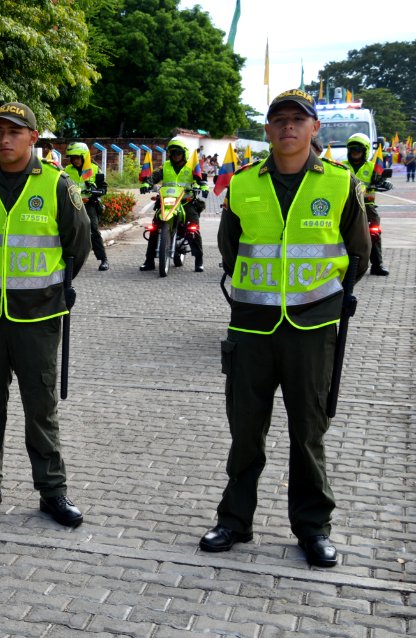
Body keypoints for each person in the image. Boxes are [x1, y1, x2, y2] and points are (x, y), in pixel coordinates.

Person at [202, 89, 370, 568]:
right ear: (268, 129)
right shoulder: (243, 184)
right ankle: (234, 521)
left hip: (313, 329)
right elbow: (230, 250)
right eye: (279, 120)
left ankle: (313, 528)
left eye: (299, 119)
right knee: (245, 432)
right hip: (252, 327)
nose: (288, 127)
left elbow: (356, 254)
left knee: (308, 433)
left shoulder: (341, 184)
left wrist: (319, 298)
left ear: (315, 129)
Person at [0, 101, 90, 527]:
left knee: (40, 407)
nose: (4, 139)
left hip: (38, 319)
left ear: (33, 138)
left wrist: (53, 289)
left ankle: (52, 492)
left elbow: (77, 244)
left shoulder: (57, 184)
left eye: (14, 132)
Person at [139, 139, 208, 272]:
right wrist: (147, 184)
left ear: (184, 153)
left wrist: (203, 187)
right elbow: (153, 177)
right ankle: (149, 261)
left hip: (186, 201)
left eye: (178, 153)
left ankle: (199, 260)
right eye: (173, 153)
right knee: (154, 227)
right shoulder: (165, 166)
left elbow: (201, 179)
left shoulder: (192, 166)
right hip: (167, 201)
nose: (176, 155)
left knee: (194, 228)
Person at [345, 133, 390, 276]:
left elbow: (381, 179)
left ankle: (377, 265)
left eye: (358, 149)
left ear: (365, 150)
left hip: (367, 206)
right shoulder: (341, 166)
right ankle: (342, 264)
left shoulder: (373, 167)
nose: (355, 153)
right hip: (346, 206)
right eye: (352, 149)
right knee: (342, 234)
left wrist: (384, 182)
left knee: (374, 233)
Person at [64, 141, 109, 270]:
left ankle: (103, 259)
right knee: (67, 231)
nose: (74, 160)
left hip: (89, 204)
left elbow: (103, 188)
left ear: (84, 157)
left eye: (77, 157)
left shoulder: (94, 169)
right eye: (72, 158)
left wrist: (96, 191)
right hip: (72, 205)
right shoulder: (67, 170)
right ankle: (67, 259)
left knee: (93, 231)